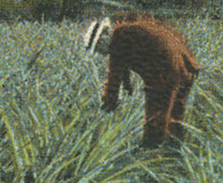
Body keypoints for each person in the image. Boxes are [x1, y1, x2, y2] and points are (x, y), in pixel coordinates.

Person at [82, 13, 200, 148]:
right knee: (175, 111)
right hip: (185, 66)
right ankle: (174, 148)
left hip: (165, 71)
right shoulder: (127, 32)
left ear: (103, 39)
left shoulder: (118, 38)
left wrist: (108, 105)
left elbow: (114, 77)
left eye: (97, 48)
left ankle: (151, 151)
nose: (100, 53)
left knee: (155, 113)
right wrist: (127, 86)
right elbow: (124, 64)